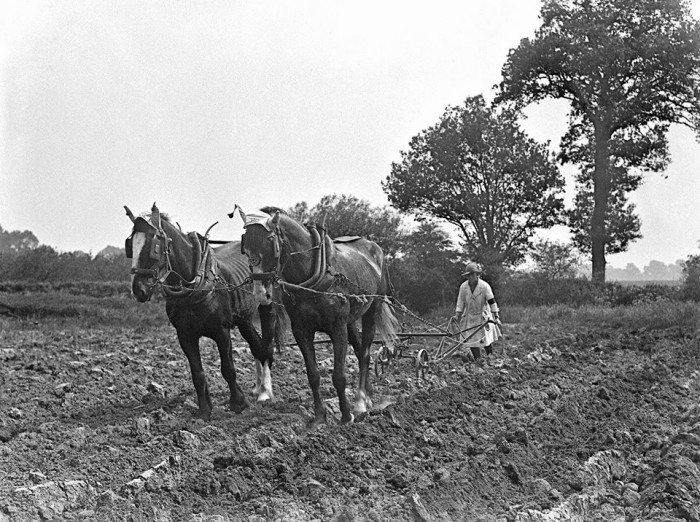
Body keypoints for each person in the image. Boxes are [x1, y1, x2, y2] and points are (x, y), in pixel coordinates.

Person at [452, 262, 501, 361]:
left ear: (477, 274)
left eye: (472, 274)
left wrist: (496, 315)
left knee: (485, 338)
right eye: (468, 275)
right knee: (471, 339)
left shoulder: (484, 286)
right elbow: (460, 302)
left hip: (482, 314)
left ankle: (490, 357)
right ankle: (478, 360)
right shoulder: (463, 287)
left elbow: (491, 301)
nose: (470, 277)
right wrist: (457, 315)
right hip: (469, 315)